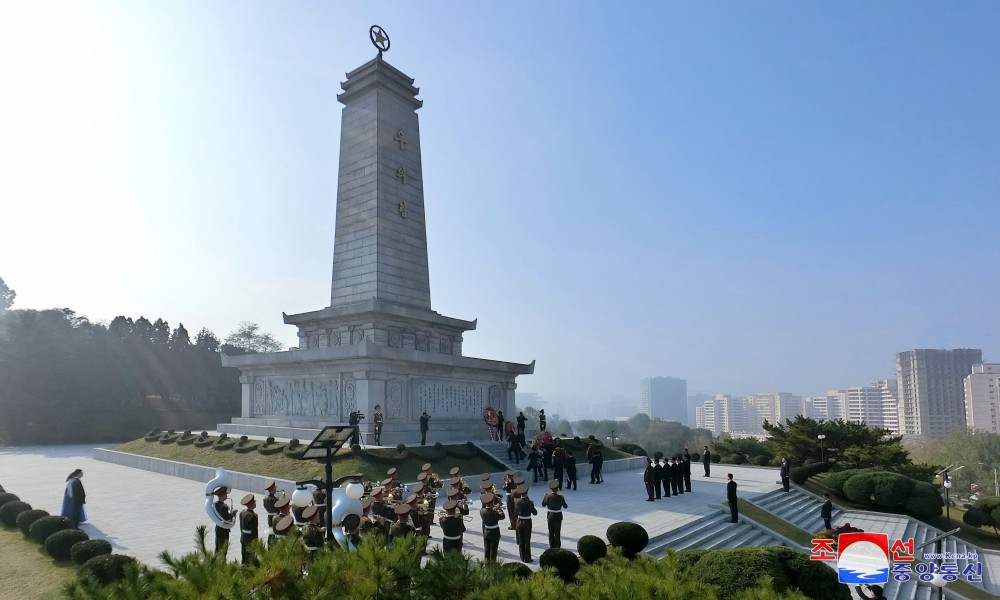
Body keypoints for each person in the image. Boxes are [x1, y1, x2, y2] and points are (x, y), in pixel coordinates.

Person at [513, 484, 538, 563]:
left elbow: (515, 512)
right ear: (527, 493)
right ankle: (527, 558)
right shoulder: (530, 502)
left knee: (521, 540)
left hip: (519, 521)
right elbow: (535, 513)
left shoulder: (516, 501)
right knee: (527, 540)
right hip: (527, 522)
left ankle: (522, 556)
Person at [541, 480, 568, 548]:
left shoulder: (547, 496)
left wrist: (544, 497)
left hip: (550, 515)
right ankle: (557, 546)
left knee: (551, 531)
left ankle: (551, 545)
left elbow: (543, 504)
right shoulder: (561, 497)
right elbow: (565, 506)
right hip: (558, 515)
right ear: (557, 488)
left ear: (550, 488)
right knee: (557, 532)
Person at [480, 492, 504, 563]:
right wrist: (499, 509)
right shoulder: (494, 513)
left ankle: (487, 565)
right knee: (493, 551)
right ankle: (492, 566)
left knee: (487, 550)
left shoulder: (482, 511)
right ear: (492, 502)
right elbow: (502, 516)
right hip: (494, 532)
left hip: (486, 531)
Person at [212, 486, 236, 552]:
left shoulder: (216, 504)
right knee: (223, 549)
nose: (227, 496)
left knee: (218, 547)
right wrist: (233, 513)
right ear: (222, 495)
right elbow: (226, 518)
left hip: (218, 528)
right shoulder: (224, 507)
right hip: (224, 529)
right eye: (226, 494)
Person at [238, 494, 258, 565]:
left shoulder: (242, 513)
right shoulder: (253, 516)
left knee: (244, 556)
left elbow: (241, 526)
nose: (255, 503)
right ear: (252, 503)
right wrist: (256, 541)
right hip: (250, 539)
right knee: (250, 558)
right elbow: (254, 530)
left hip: (243, 537)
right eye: (254, 502)